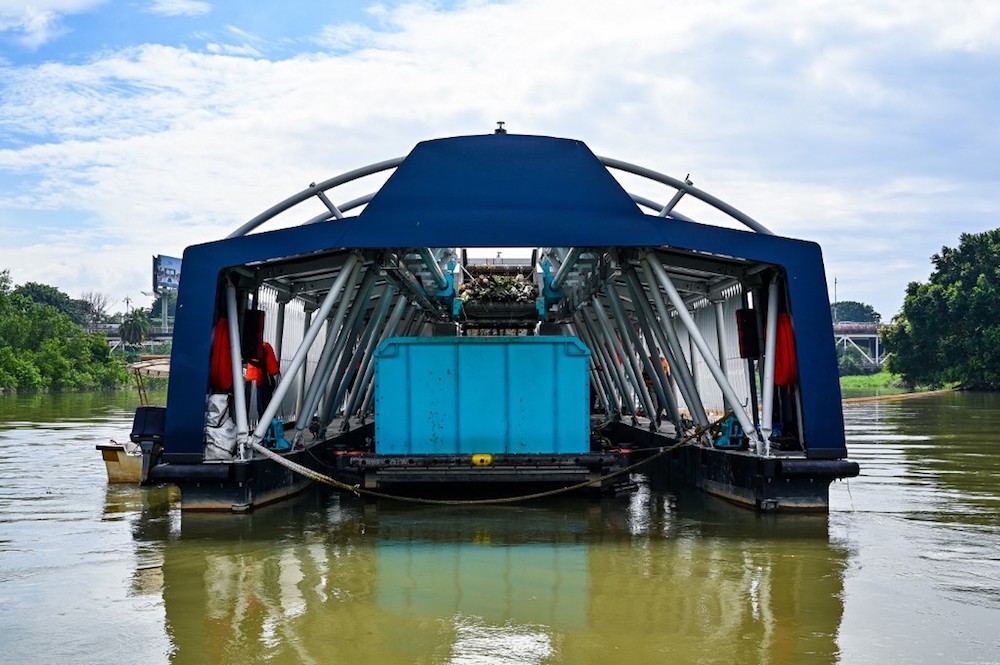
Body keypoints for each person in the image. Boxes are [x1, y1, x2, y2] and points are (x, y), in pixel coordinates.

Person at [245, 341, 280, 417]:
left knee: (263, 409)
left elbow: (261, 363)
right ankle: (268, 426)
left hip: (265, 383)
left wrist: (248, 360)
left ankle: (265, 427)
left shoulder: (262, 349)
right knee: (265, 408)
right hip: (266, 382)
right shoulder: (264, 347)